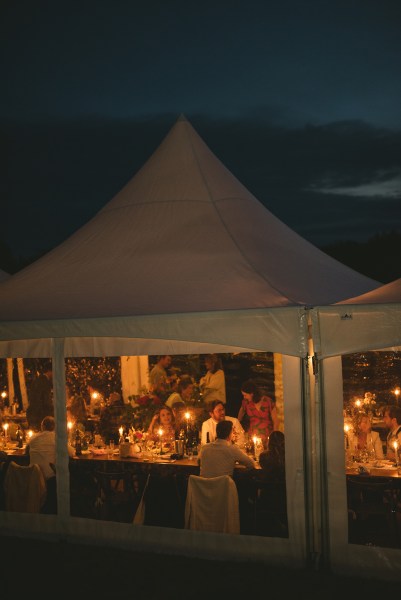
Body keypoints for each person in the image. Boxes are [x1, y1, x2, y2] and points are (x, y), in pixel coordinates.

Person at [27, 416, 74, 513]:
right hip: (50, 478)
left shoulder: (33, 438)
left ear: (42, 426)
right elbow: (71, 452)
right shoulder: (56, 438)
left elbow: (26, 451)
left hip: (33, 477)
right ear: (54, 427)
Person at [238, 380, 279, 448]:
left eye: (245, 395)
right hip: (253, 436)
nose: (244, 397)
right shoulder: (246, 402)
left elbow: (275, 421)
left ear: (252, 394)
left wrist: (273, 438)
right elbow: (241, 413)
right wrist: (237, 424)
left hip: (267, 436)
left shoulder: (267, 402)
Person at [26, 361, 54, 431]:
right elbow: (46, 401)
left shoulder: (38, 380)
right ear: (50, 371)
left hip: (34, 414)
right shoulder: (45, 382)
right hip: (40, 416)